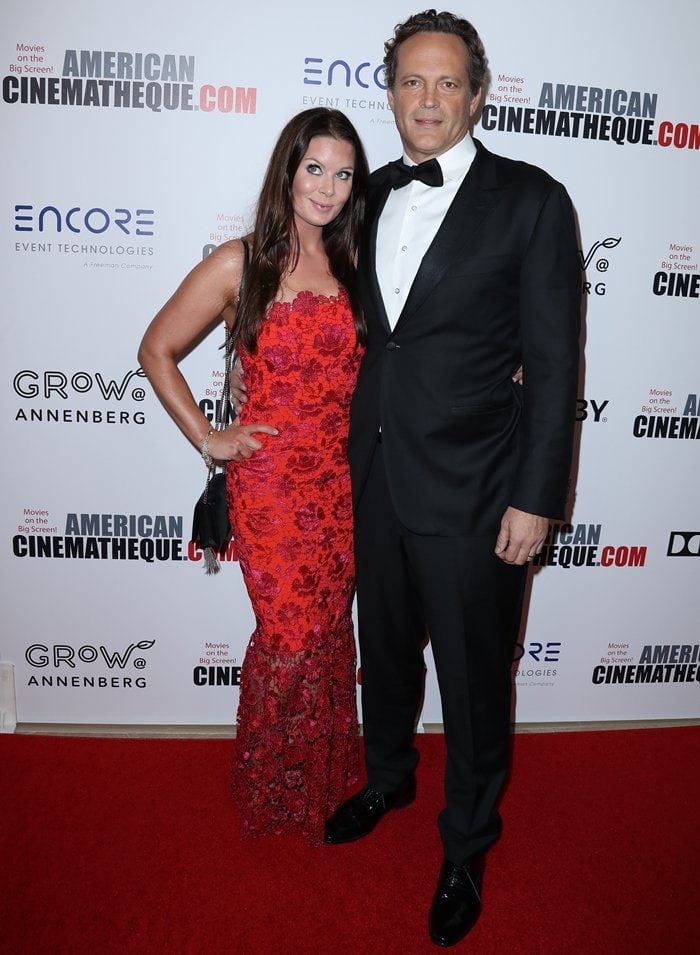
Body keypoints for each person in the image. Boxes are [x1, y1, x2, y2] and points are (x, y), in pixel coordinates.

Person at [322, 11, 581, 947]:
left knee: (474, 681)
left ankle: (467, 841)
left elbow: (556, 366)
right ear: (389, 90)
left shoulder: (534, 200)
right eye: (409, 81)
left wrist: (535, 496)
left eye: (446, 83)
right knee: (382, 651)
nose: (426, 100)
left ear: (477, 94)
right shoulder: (368, 191)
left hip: (480, 491)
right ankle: (388, 774)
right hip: (377, 473)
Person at [138, 108, 369, 846]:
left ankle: (325, 777)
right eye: (315, 168)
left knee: (330, 632)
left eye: (342, 173)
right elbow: (156, 349)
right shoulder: (241, 263)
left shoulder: (358, 264)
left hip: (341, 482)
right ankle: (273, 786)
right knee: (290, 637)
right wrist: (211, 435)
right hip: (269, 485)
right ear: (287, 169)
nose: (328, 188)